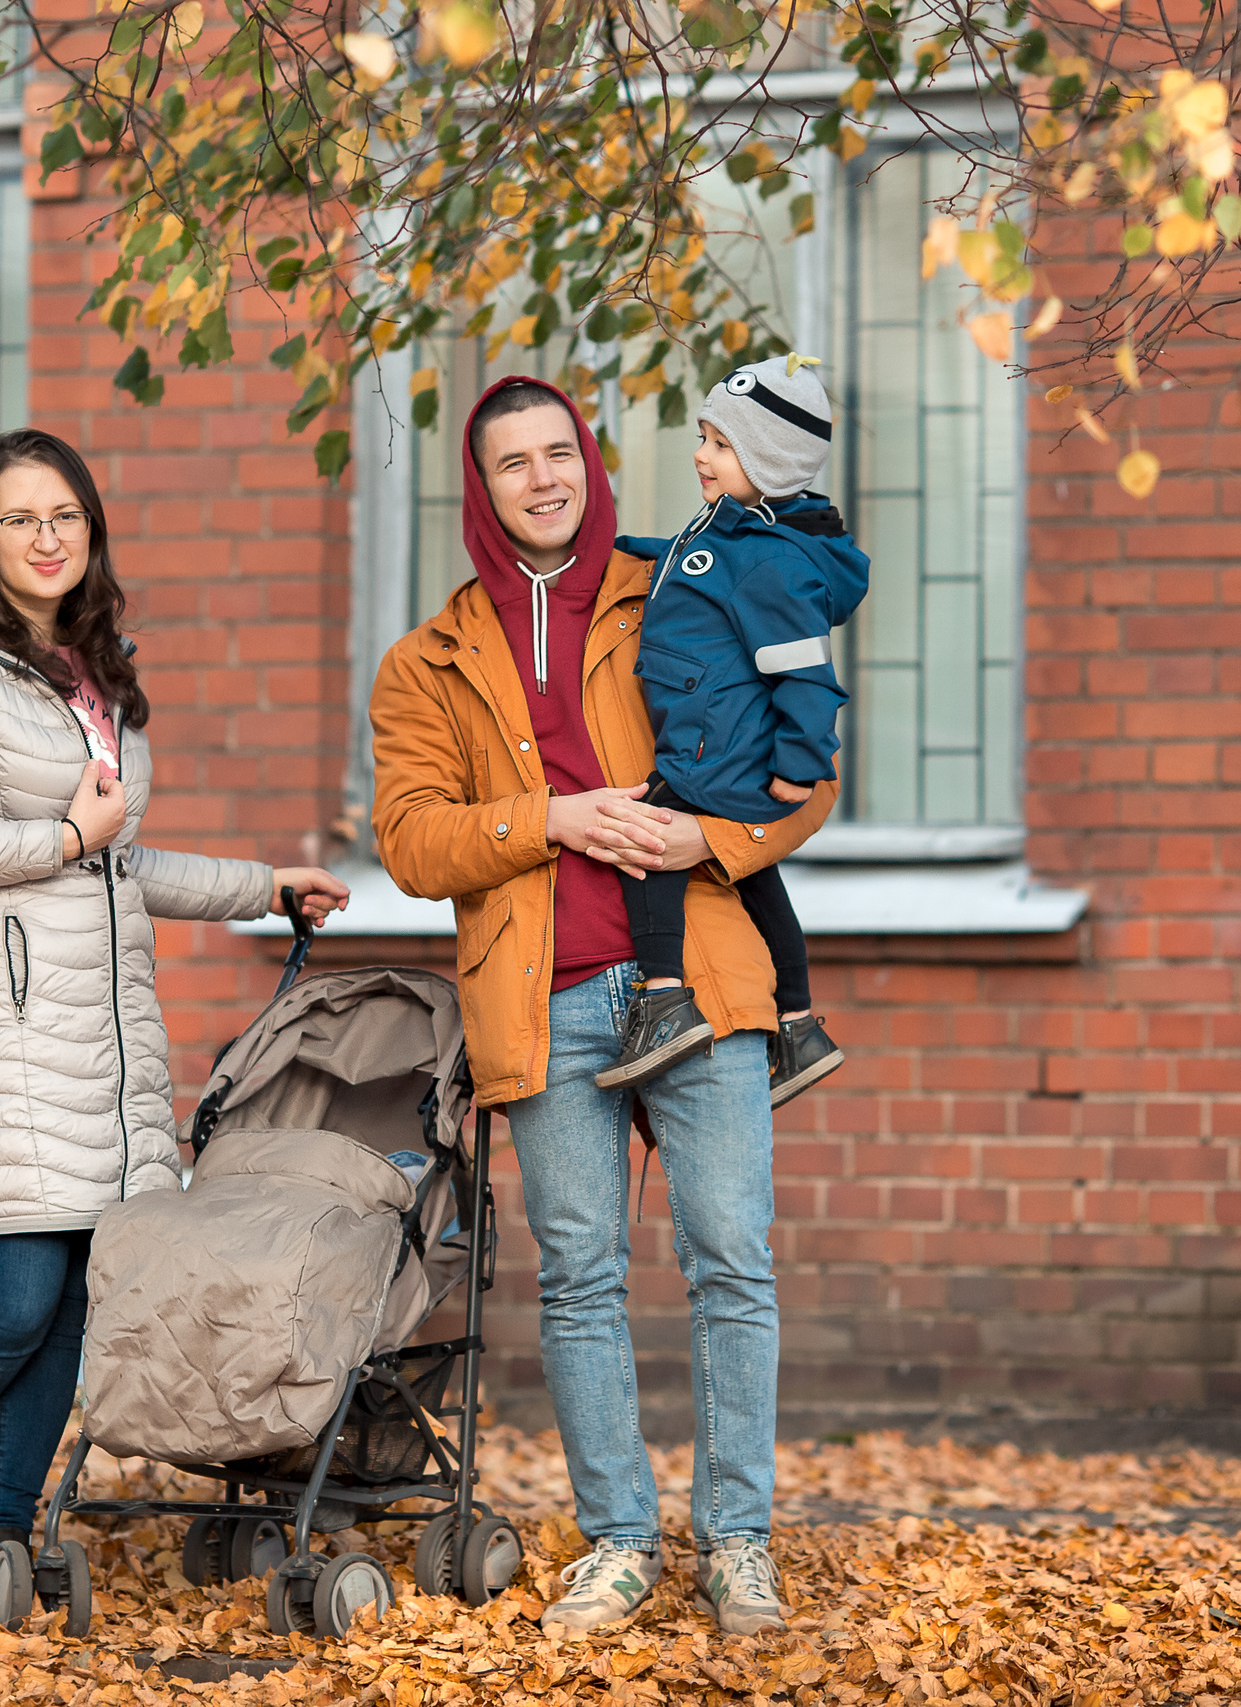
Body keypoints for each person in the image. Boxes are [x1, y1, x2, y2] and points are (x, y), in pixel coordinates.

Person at [0, 427, 351, 1616]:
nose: (46, 538)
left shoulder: (98, 667)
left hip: (105, 1032)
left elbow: (119, 861)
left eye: (65, 516)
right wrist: (64, 835)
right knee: (11, 1299)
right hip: (3, 1025)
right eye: (19, 518)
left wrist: (261, 887)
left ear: (91, 531)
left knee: (73, 1304)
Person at [369, 376, 833, 1638]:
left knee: (731, 1260)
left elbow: (806, 770)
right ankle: (621, 1543)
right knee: (579, 1278)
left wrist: (704, 841)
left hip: (705, 977)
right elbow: (411, 841)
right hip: (545, 999)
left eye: (559, 453)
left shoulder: (689, 579)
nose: (543, 479)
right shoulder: (426, 662)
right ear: (481, 488)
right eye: (513, 462)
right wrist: (554, 819)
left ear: (590, 461)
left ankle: (738, 1545)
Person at [599, 356, 868, 1103]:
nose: (700, 455)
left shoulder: (771, 564)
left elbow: (806, 675)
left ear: (769, 462)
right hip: (714, 735)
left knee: (645, 842)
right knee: (757, 880)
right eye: (703, 437)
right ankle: (799, 1024)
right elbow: (696, 565)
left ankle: (662, 997)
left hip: (717, 750)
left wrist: (799, 764)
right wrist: (637, 553)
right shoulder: (735, 532)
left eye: (721, 445)